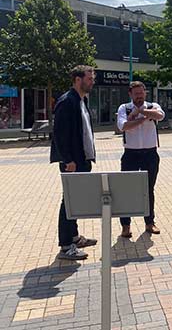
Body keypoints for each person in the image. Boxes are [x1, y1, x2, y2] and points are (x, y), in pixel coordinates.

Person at [50, 65, 98, 260]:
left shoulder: (81, 101)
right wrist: (68, 160)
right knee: (68, 202)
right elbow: (59, 135)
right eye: (89, 78)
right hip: (72, 162)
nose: (92, 82)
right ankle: (65, 245)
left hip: (82, 160)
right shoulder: (67, 102)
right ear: (78, 80)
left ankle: (74, 236)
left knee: (75, 200)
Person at [116, 81, 165, 237]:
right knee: (126, 190)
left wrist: (140, 114)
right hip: (131, 154)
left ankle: (149, 222)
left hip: (150, 154)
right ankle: (126, 225)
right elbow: (123, 126)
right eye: (136, 93)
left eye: (141, 92)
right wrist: (143, 118)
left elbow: (160, 115)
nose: (139, 95)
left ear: (145, 92)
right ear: (130, 94)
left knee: (148, 189)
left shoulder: (153, 105)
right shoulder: (124, 108)